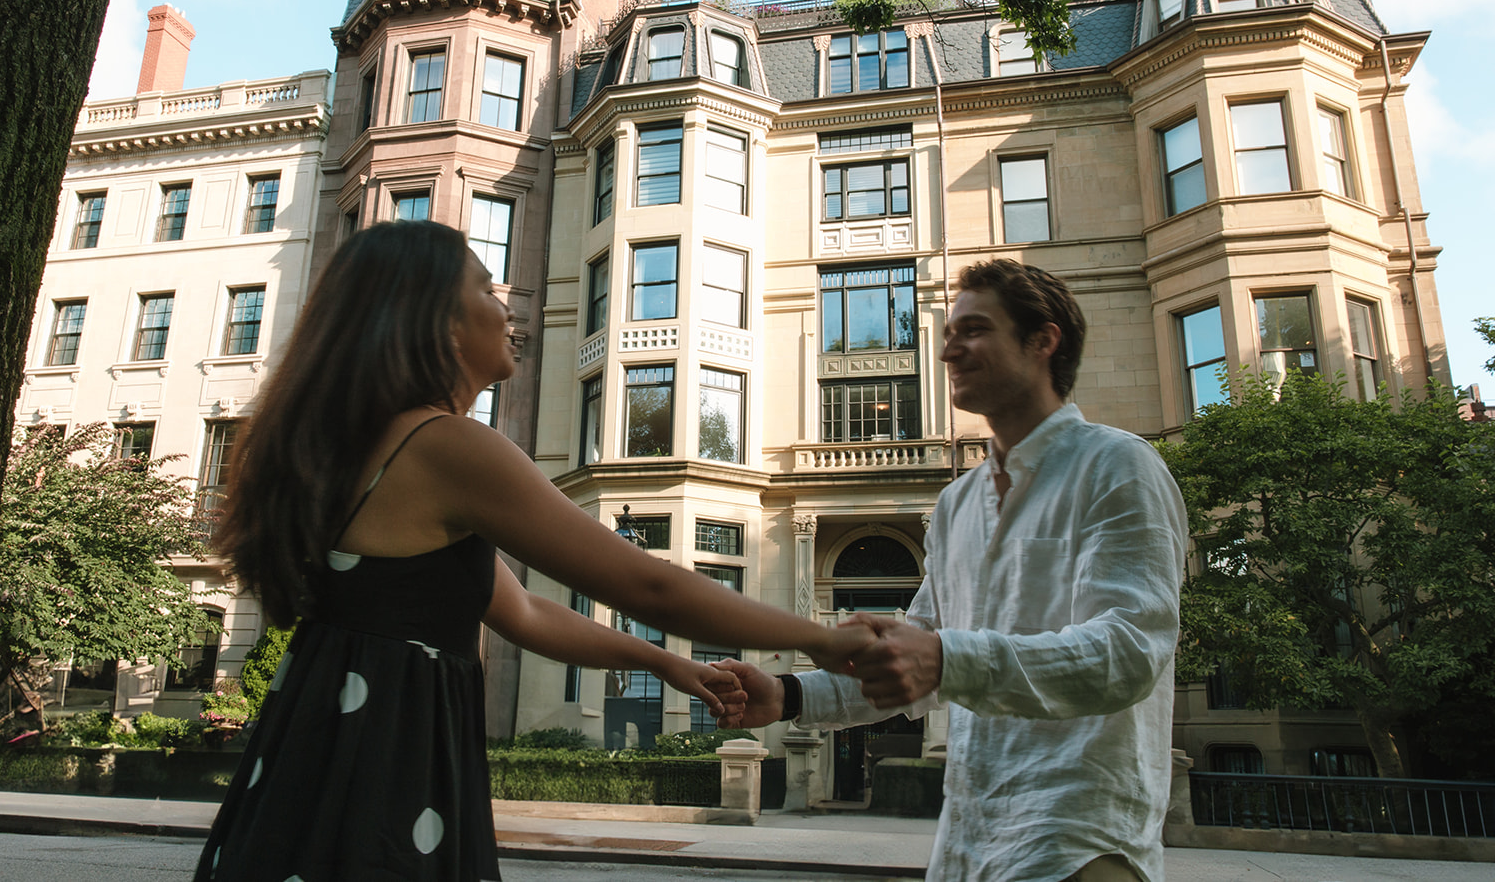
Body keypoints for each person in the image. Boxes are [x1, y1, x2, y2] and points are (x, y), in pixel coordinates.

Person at [195, 220, 869, 881]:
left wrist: (665, 663)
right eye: (486, 289)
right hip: (383, 764)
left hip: (306, 765)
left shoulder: (353, 453)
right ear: (439, 320)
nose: (505, 305)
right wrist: (823, 639)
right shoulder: (446, 445)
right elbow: (647, 586)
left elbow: (525, 614)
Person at [717, 259, 1186, 882]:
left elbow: (1128, 653)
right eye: (947, 334)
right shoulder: (957, 503)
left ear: (1043, 341)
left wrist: (945, 658)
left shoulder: (1119, 467)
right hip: (967, 847)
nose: (948, 350)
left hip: (1079, 843)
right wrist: (789, 695)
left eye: (973, 330)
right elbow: (917, 666)